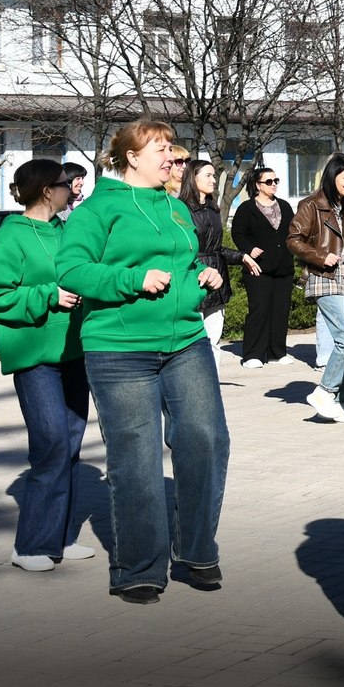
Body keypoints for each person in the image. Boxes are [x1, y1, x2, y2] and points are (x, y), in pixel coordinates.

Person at [59, 118, 231, 603]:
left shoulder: (175, 207)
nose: (171, 157)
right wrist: (132, 280)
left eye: (172, 148)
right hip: (120, 350)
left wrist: (202, 276)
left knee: (207, 440)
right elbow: (71, 269)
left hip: (186, 340)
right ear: (132, 157)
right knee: (136, 459)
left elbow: (184, 261)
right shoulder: (98, 208)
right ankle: (138, 569)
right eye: (161, 149)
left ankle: (196, 550)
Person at [0, 160, 95, 571]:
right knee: (52, 445)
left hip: (74, 353)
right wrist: (49, 294)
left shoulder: (66, 230)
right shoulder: (10, 237)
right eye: (66, 184)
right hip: (36, 359)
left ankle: (61, 538)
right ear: (48, 190)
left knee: (71, 444)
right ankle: (30, 546)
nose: (73, 189)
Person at [290, 153, 344, 423]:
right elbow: (293, 240)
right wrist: (321, 257)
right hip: (325, 277)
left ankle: (339, 401)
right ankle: (324, 391)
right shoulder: (312, 205)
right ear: (333, 176)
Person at [230, 166, 295, 366]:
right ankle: (253, 355)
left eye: (276, 180)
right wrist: (249, 249)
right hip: (258, 268)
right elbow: (237, 233)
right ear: (257, 185)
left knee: (281, 310)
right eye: (268, 181)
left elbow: (293, 232)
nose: (273, 184)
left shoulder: (285, 206)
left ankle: (277, 352)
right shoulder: (246, 208)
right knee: (259, 310)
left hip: (283, 268)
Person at [179, 158, 239, 358]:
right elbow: (184, 249)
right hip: (195, 280)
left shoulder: (213, 209)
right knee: (194, 343)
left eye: (214, 175)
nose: (214, 180)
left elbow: (216, 248)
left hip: (217, 281)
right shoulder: (181, 209)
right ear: (193, 178)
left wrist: (242, 257)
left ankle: (213, 379)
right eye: (208, 175)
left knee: (214, 341)